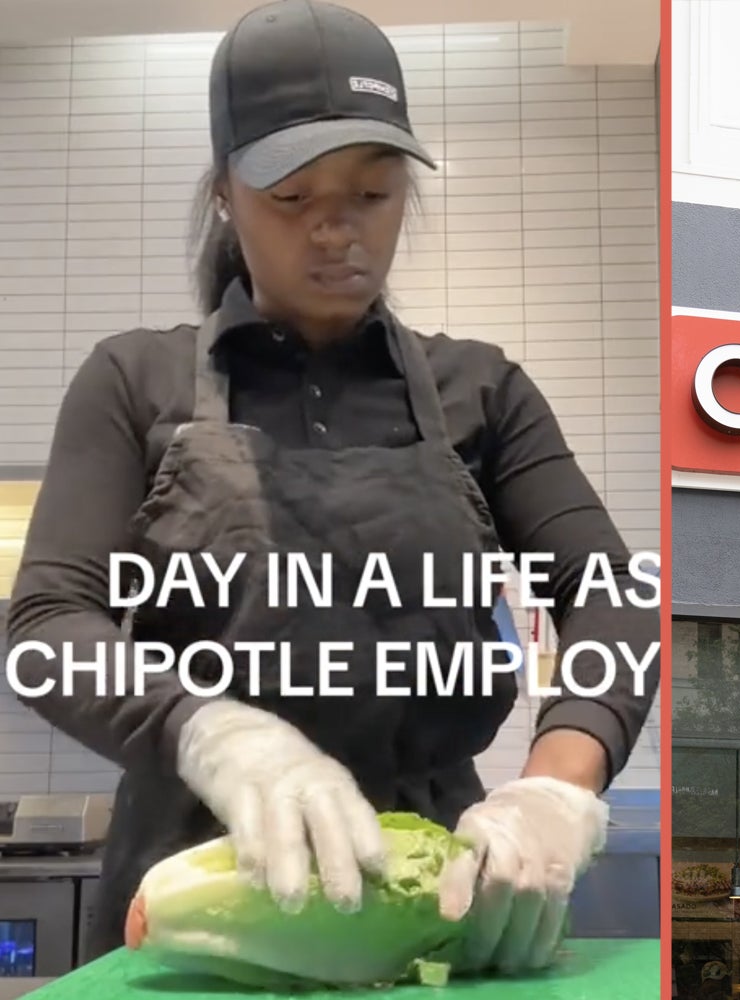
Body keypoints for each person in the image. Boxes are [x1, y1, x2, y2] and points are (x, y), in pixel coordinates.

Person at [3, 0, 659, 970]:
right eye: (293, 196)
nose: (336, 232)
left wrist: (558, 784)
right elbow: (47, 625)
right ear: (226, 192)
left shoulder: (482, 389)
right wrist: (209, 731)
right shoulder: (133, 379)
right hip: (200, 888)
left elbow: (614, 595)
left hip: (434, 885)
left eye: (371, 192)